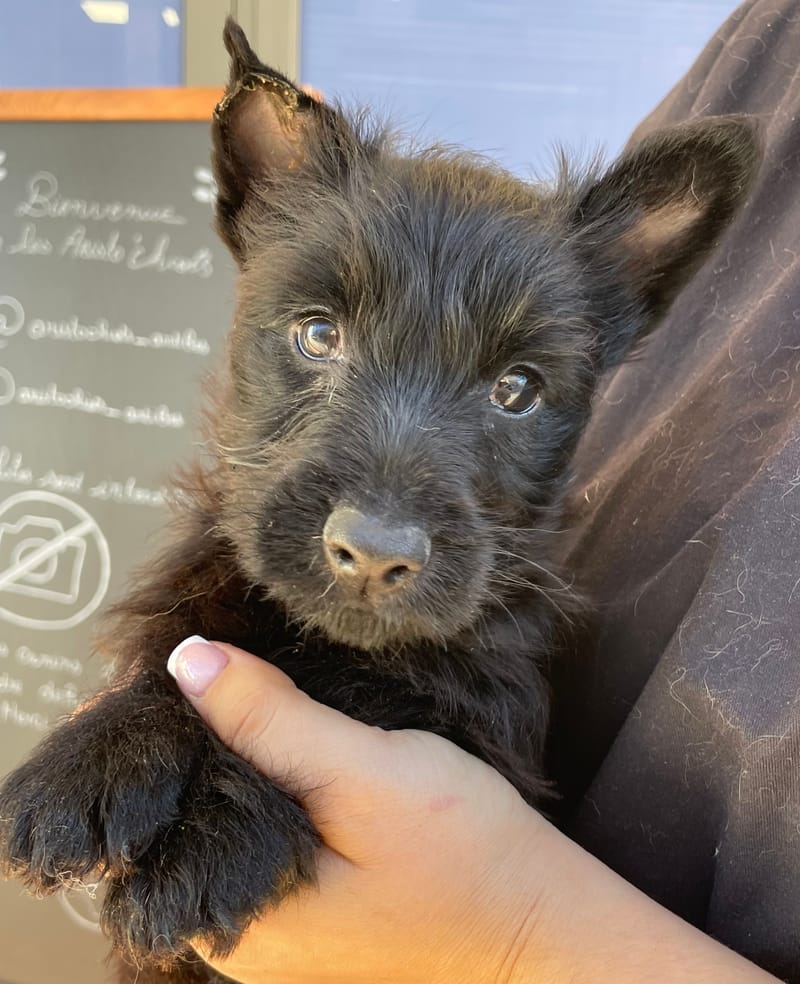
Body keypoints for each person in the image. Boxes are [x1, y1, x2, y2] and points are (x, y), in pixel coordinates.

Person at [171, 1, 800, 979]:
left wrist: (510, 935)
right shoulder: (770, 45)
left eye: (512, 389)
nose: (381, 525)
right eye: (321, 338)